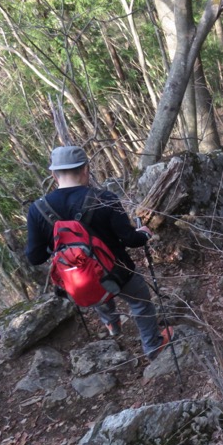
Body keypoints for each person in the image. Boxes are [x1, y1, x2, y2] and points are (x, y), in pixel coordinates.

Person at [25, 146, 173, 360]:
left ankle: (112, 324)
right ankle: (152, 346)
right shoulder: (104, 198)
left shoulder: (37, 210)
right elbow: (130, 240)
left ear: (53, 174)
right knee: (139, 301)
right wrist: (144, 234)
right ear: (85, 169)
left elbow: (35, 257)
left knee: (89, 278)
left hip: (77, 280)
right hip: (119, 272)